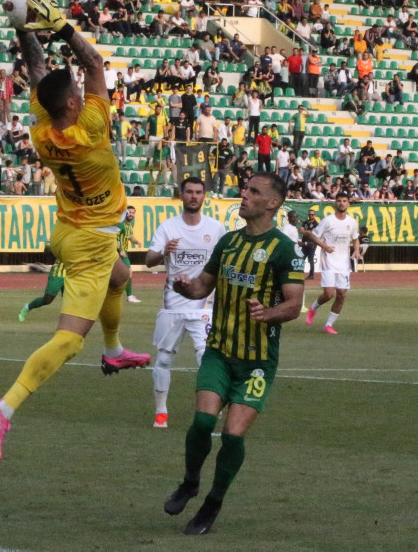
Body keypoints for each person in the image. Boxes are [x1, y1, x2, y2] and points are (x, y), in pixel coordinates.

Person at [0, 0, 149, 464]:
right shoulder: (90, 129)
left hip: (71, 228)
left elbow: (39, 75)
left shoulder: (41, 128)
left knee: (122, 275)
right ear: (74, 106)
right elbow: (94, 62)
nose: (81, 90)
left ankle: (114, 349)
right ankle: (5, 407)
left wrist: (23, 29)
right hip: (92, 241)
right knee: (70, 339)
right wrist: (59, 25)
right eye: (76, 93)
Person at [163, 173, 303, 535]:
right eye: (245, 189)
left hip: (257, 363)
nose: (244, 194)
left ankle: (212, 503)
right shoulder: (227, 242)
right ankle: (191, 481)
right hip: (219, 352)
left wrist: (268, 313)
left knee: (233, 436)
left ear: (272, 203)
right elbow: (201, 288)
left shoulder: (284, 249)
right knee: (203, 423)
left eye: (254, 191)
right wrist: (186, 286)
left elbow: (294, 305)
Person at [145, 177, 226, 429]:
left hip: (203, 307)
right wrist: (163, 252)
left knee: (206, 358)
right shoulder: (168, 227)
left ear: (204, 196)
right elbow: (149, 260)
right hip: (173, 305)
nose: (193, 196)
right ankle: (161, 412)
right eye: (189, 191)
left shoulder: (216, 229)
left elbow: (224, 263)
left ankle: (210, 411)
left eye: (198, 192)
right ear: (181, 195)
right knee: (164, 359)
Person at [304, 192, 362, 334]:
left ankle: (328, 325)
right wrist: (324, 246)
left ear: (348, 203)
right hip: (328, 260)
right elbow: (313, 235)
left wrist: (356, 251)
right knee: (329, 294)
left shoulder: (352, 222)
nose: (342, 203)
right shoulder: (328, 220)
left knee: (341, 294)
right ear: (336, 203)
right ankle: (313, 308)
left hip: (344, 262)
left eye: (344, 201)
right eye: (339, 201)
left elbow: (355, 239)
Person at [118, 205, 142, 302]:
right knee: (128, 272)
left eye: (133, 212)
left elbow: (130, 237)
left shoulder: (131, 224)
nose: (131, 215)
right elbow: (114, 238)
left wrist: (137, 242)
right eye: (129, 212)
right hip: (117, 252)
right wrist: (120, 250)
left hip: (123, 251)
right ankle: (129, 296)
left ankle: (129, 295)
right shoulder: (120, 224)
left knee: (126, 273)